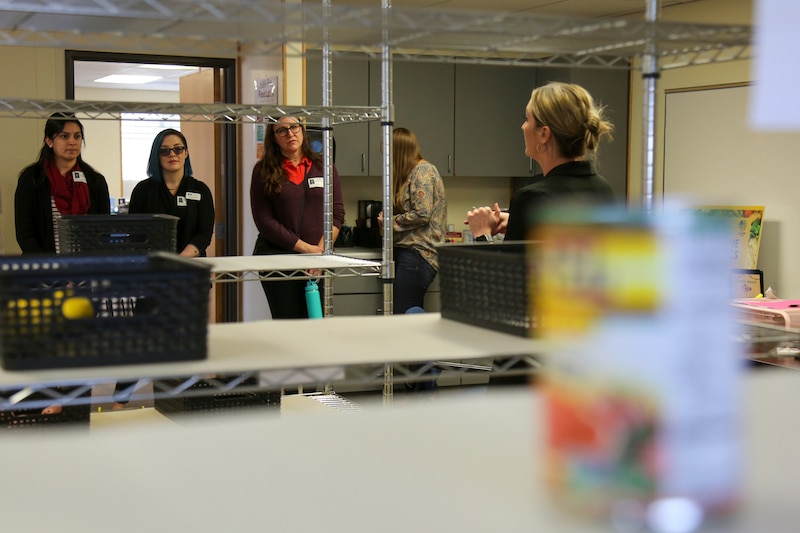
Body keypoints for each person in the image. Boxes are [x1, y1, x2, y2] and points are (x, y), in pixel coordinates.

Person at [466, 81, 615, 242]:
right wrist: (518, 222)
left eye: (527, 119)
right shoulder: (603, 189)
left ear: (544, 134)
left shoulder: (531, 198)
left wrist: (482, 233)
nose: (523, 127)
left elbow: (506, 267)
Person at [250, 116, 345, 319]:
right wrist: (307, 250)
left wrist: (320, 252)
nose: (290, 134)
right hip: (277, 260)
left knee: (316, 325)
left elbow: (337, 215)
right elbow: (264, 221)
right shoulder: (262, 171)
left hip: (318, 262)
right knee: (288, 325)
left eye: (294, 127)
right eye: (282, 130)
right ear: (274, 137)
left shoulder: (325, 167)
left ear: (302, 130)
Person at [14, 112, 110, 254]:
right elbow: (25, 234)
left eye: (77, 136)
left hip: (86, 267)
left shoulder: (95, 181)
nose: (72, 142)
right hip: (45, 268)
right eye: (64, 136)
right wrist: (47, 266)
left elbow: (104, 229)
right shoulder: (31, 179)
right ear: (49, 141)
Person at [377, 127, 447, 315]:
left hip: (418, 254)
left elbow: (422, 213)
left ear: (397, 152)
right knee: (406, 313)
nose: (387, 162)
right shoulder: (412, 173)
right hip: (411, 253)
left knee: (403, 314)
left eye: (388, 156)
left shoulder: (422, 171)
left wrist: (389, 222)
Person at [128, 128, 215, 258]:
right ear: (157, 156)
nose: (172, 154)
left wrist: (180, 259)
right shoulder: (143, 190)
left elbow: (204, 234)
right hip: (153, 267)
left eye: (178, 149)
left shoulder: (200, 190)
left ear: (186, 153)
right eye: (164, 151)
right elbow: (134, 232)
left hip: (191, 266)